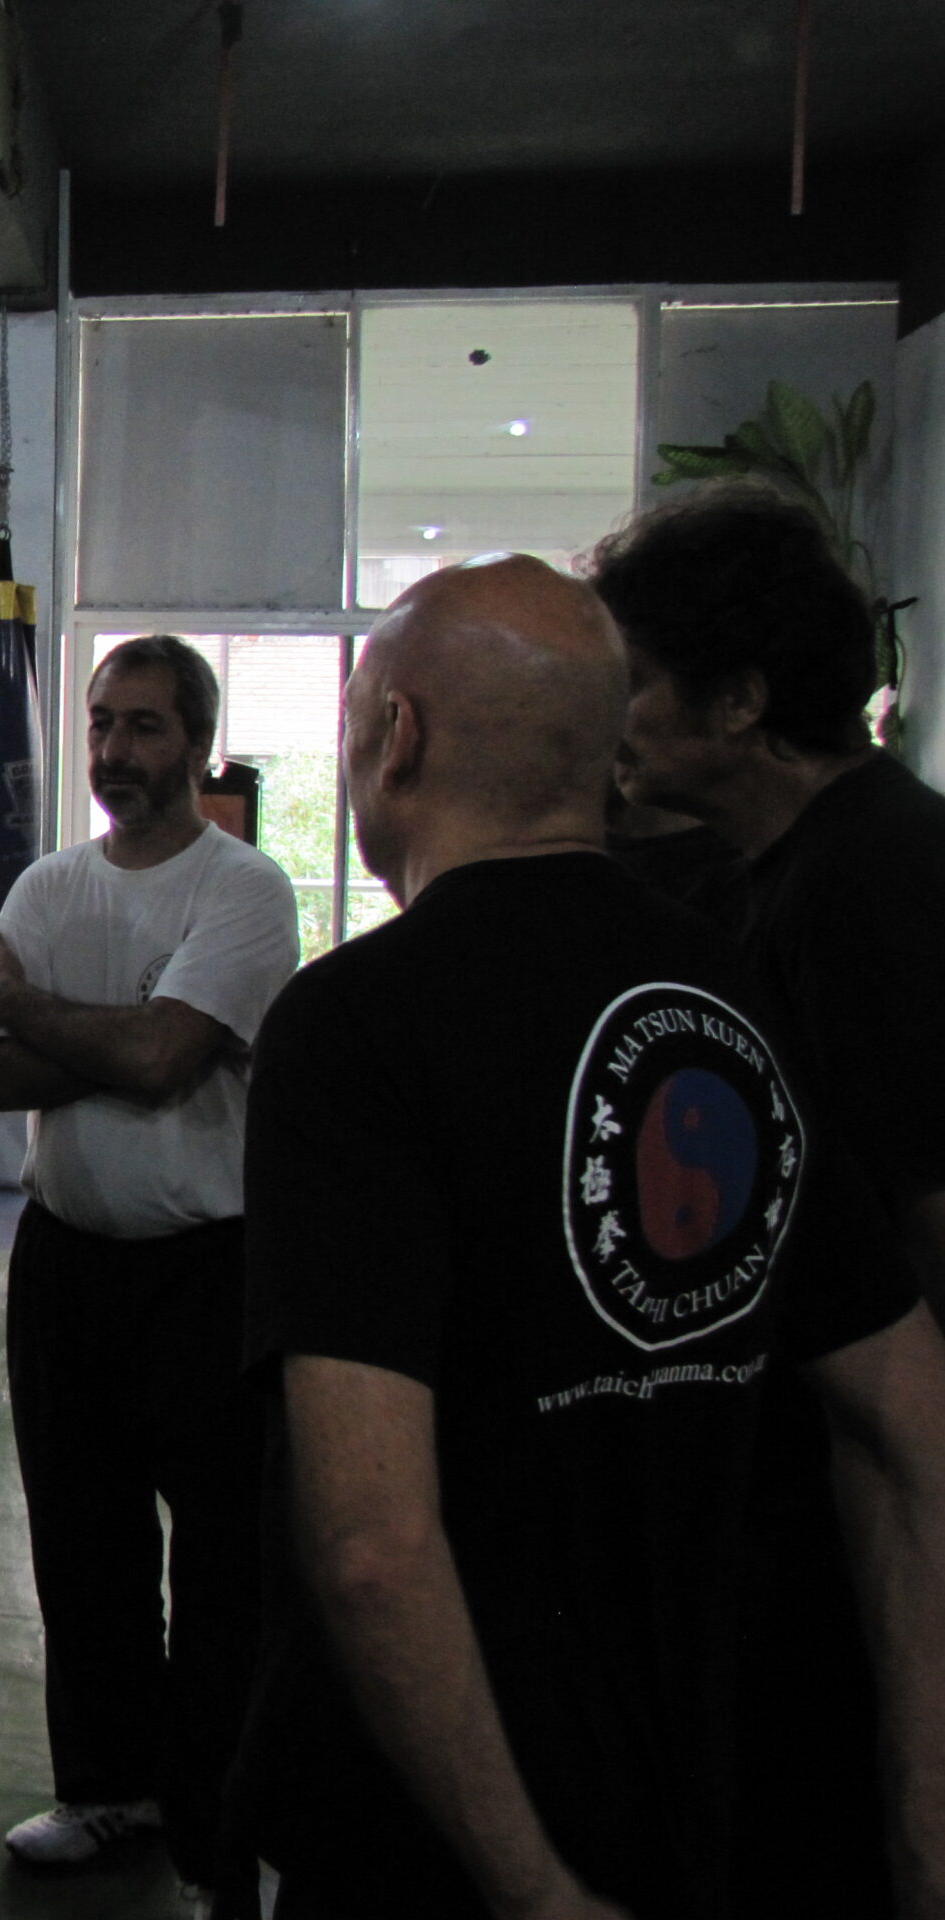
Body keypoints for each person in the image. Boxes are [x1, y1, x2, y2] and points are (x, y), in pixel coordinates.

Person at [232, 555, 945, 1920]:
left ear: (397, 736)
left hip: (427, 1830)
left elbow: (371, 1540)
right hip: (686, 1782)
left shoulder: (353, 1024)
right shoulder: (727, 988)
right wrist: (925, 1828)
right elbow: (911, 1416)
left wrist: (533, 1894)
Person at [592, 484, 943, 1917]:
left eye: (634, 682)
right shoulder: (777, 878)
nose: (609, 721)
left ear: (738, 701)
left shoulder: (878, 882)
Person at [0, 636, 297, 1913]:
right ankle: (107, 1785)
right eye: (102, 723)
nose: (114, 751)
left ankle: (215, 1829)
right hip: (66, 1265)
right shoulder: (49, 887)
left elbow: (162, 1062)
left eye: (145, 726)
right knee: (82, 1542)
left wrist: (41, 1014)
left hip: (208, 1271)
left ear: (197, 746)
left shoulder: (243, 889)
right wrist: (128, 1035)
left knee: (220, 1563)